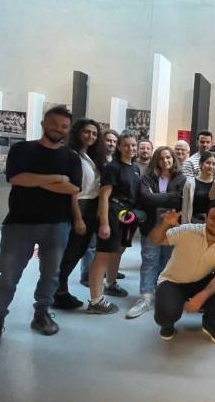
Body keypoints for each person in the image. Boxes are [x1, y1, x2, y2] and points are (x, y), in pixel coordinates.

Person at [0, 106, 81, 354]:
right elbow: (16, 178)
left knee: (51, 275)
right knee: (8, 276)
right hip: (19, 224)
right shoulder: (22, 149)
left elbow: (73, 189)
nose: (58, 129)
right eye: (54, 123)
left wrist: (35, 180)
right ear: (44, 123)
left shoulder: (71, 158)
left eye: (64, 126)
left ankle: (41, 313)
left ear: (68, 130)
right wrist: (56, 178)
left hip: (57, 225)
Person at [149, 201, 215, 343]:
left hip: (200, 281)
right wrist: (165, 224)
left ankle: (209, 322)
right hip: (173, 281)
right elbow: (155, 240)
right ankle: (168, 325)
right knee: (165, 315)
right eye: (213, 217)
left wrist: (202, 295)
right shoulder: (187, 231)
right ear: (206, 217)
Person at [126, 146, 186, 319]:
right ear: (156, 160)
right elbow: (145, 197)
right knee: (149, 260)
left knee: (168, 261)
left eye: (168, 157)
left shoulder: (181, 178)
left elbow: (178, 200)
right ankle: (146, 298)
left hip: (172, 227)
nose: (165, 161)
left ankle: (163, 294)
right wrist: (169, 197)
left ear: (173, 159)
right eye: (161, 158)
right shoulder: (147, 177)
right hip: (152, 224)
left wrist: (156, 198)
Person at [52, 118, 106, 310]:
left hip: (90, 207)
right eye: (87, 132)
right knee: (70, 252)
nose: (91, 136)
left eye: (94, 133)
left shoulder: (88, 155)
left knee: (79, 251)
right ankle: (57, 293)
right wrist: (78, 218)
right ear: (77, 132)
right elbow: (73, 190)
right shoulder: (71, 155)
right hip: (78, 207)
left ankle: (60, 290)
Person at [87, 131, 140, 314]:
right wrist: (104, 223)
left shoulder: (135, 168)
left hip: (127, 215)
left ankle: (110, 283)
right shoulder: (113, 167)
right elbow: (104, 196)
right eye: (126, 145)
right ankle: (95, 301)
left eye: (133, 145)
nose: (130, 148)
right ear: (119, 147)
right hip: (112, 213)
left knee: (117, 251)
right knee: (102, 255)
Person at [182, 151, 215, 224]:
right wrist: (184, 225)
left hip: (214, 222)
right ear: (200, 164)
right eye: (208, 163)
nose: (211, 166)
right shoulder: (190, 183)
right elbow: (185, 206)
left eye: (214, 164)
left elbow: (212, 197)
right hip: (195, 221)